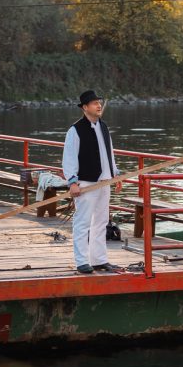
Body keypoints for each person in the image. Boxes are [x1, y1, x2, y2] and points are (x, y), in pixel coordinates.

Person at [62, 90, 120, 274]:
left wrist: (115, 174)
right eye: (95, 103)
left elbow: (109, 153)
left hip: (104, 181)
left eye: (99, 102)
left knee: (101, 222)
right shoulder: (75, 130)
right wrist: (72, 182)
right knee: (82, 222)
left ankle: (99, 259)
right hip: (86, 183)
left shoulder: (103, 127)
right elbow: (69, 157)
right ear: (85, 108)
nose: (99, 105)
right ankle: (81, 262)